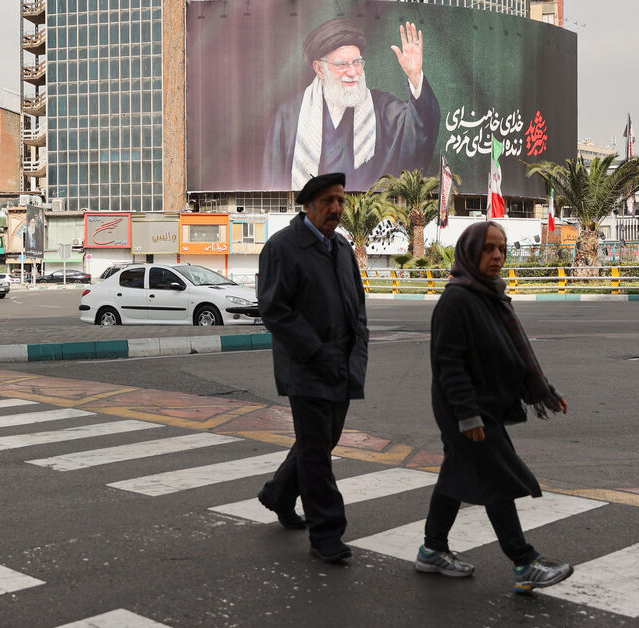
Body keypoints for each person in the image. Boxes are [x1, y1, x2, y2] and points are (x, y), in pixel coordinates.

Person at [415, 221, 573, 593]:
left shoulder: (489, 295)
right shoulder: (457, 300)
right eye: (488, 248)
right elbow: (449, 365)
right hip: (467, 409)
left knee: (456, 474)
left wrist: (544, 391)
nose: (497, 256)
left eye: (501, 248)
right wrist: (467, 415)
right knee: (496, 477)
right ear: (470, 253)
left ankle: (432, 549)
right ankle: (524, 561)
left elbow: (512, 353)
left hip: (484, 405)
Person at [255, 172, 369, 564]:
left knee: (319, 441)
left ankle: (279, 493)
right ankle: (327, 533)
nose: (336, 208)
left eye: (341, 200)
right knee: (317, 452)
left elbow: (357, 305)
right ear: (308, 206)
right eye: (327, 201)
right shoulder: (282, 247)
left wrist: (357, 350)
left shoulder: (342, 247)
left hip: (342, 365)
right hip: (306, 367)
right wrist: (318, 352)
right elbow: (274, 309)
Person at [262, 19, 440, 192]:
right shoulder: (289, 117)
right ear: (319, 69)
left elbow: (419, 126)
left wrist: (415, 76)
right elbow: (273, 183)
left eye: (357, 62)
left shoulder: (382, 108)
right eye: (342, 64)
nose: (353, 72)